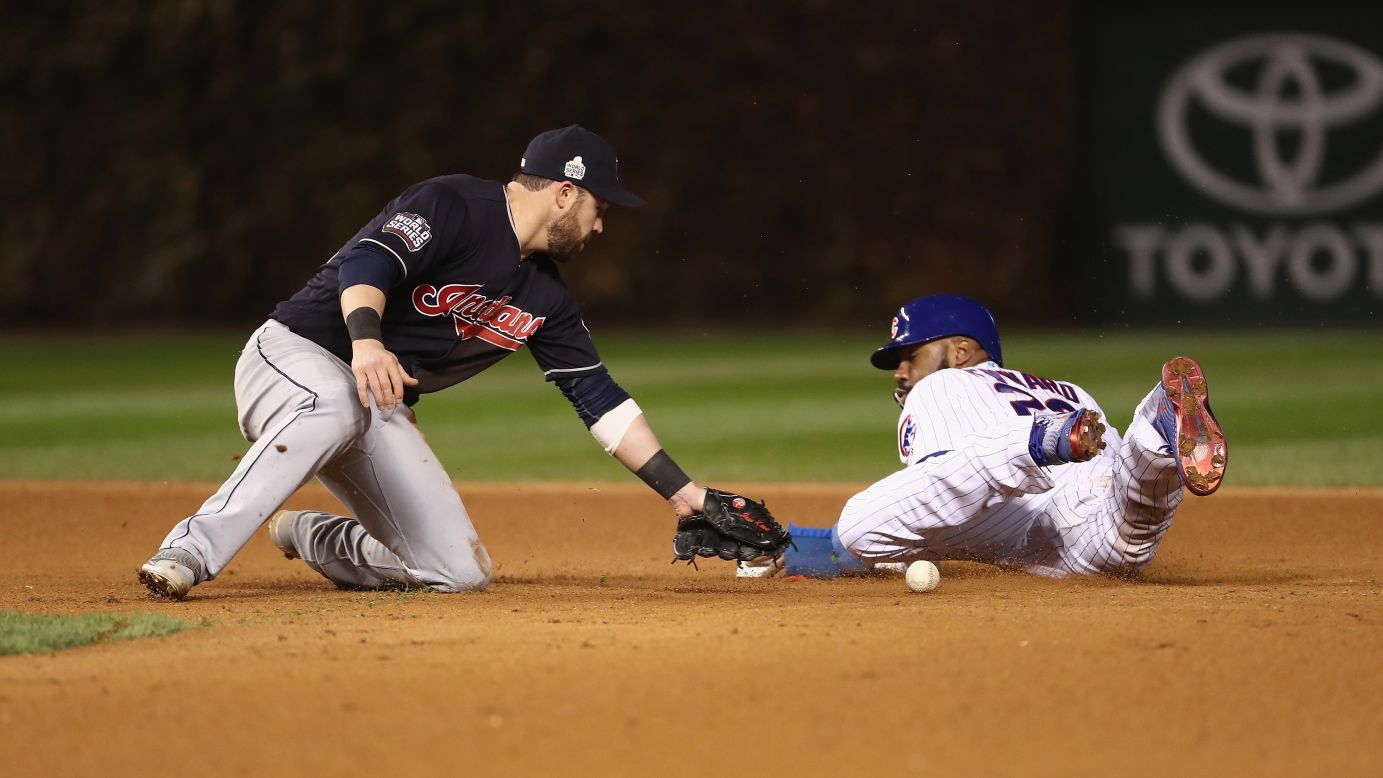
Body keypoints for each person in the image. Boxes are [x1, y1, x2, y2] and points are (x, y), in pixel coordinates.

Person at [139, 125, 713, 599]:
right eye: (599, 206)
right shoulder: (454, 204)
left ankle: (315, 538)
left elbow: (600, 399)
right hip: (295, 355)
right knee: (335, 397)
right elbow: (366, 265)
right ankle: (189, 549)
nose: (601, 224)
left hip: (373, 403)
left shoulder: (546, 297)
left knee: (458, 572)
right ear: (565, 193)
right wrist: (366, 342)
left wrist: (683, 494)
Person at [739, 293, 1228, 580]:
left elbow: (944, 491)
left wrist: (831, 548)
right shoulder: (1067, 388)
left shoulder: (942, 388)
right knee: (1128, 522)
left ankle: (1041, 442)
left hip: (1044, 512)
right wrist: (796, 546)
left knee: (861, 524)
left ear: (959, 351)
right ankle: (1154, 431)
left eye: (911, 354)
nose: (901, 371)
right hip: (1092, 501)